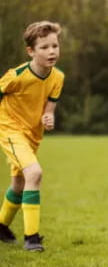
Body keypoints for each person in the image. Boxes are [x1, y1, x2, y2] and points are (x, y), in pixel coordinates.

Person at [0, 21, 64, 252]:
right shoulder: (15, 76)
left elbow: (49, 109)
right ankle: (32, 239)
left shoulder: (57, 78)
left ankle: (1, 226)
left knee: (19, 183)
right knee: (34, 174)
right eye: (44, 47)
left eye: (54, 46)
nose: (51, 51)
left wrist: (49, 118)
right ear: (31, 51)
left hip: (32, 136)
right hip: (10, 130)